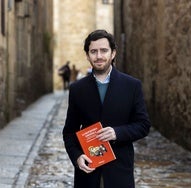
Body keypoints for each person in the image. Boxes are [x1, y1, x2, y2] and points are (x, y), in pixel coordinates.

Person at [62, 29, 151, 188]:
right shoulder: (77, 89)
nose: (99, 56)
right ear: (87, 55)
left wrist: (117, 132)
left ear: (113, 53)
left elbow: (143, 125)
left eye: (104, 50)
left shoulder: (132, 85)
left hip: (119, 170)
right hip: (88, 172)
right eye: (93, 51)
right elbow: (69, 131)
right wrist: (77, 157)